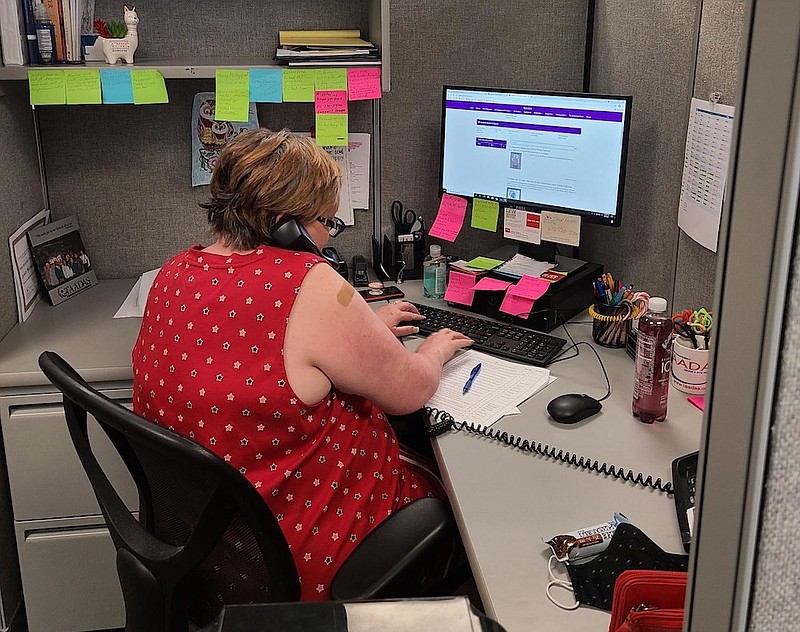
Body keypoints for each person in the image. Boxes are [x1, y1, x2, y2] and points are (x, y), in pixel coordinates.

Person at [131, 128, 472, 600]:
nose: (328, 235)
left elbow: (250, 348)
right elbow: (410, 391)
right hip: (308, 549)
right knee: (462, 501)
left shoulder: (170, 275)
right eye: (325, 222)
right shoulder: (308, 282)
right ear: (282, 223)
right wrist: (433, 348)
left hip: (212, 547)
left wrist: (359, 330)